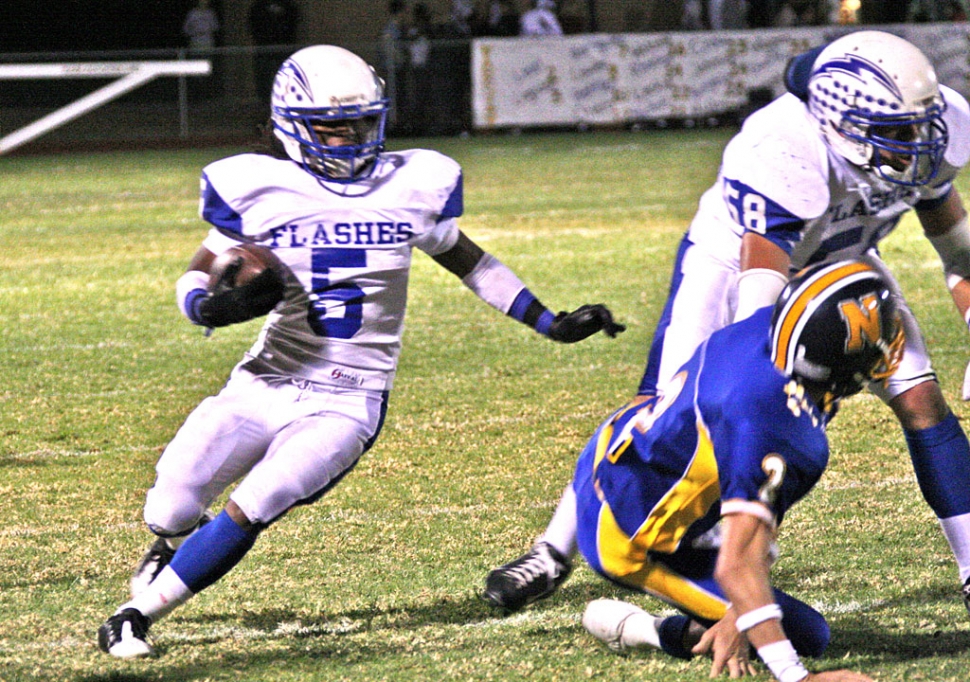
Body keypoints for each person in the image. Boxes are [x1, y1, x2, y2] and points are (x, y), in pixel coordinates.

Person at [96, 44, 625, 659]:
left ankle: (136, 615)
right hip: (266, 379)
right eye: (331, 126)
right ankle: (171, 541)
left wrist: (549, 321)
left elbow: (470, 262)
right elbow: (199, 272)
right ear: (292, 125)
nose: (348, 138)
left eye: (360, 123)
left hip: (350, 396)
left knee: (258, 499)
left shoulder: (408, 184)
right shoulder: (261, 186)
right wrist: (205, 307)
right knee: (172, 499)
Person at [483, 29, 970, 618]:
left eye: (922, 125)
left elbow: (959, 253)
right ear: (843, 122)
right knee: (666, 406)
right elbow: (757, 303)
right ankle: (553, 550)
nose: (919, 142)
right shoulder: (784, 148)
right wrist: (765, 398)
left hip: (840, 264)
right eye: (899, 132)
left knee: (922, 400)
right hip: (735, 261)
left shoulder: (927, 131)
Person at [513, 260, 900, 681]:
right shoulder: (777, 424)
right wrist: (795, 674)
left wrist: (743, 609)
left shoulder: (763, 329)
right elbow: (735, 565)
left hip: (621, 445)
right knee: (805, 633)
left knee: (749, 605)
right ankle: (647, 630)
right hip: (624, 530)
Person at [248, 0, 299, 102]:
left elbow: (293, 22)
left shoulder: (288, 5)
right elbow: (253, 24)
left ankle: (285, 99)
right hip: (264, 47)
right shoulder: (258, 6)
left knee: (285, 75)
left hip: (284, 46)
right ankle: (265, 101)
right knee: (264, 75)